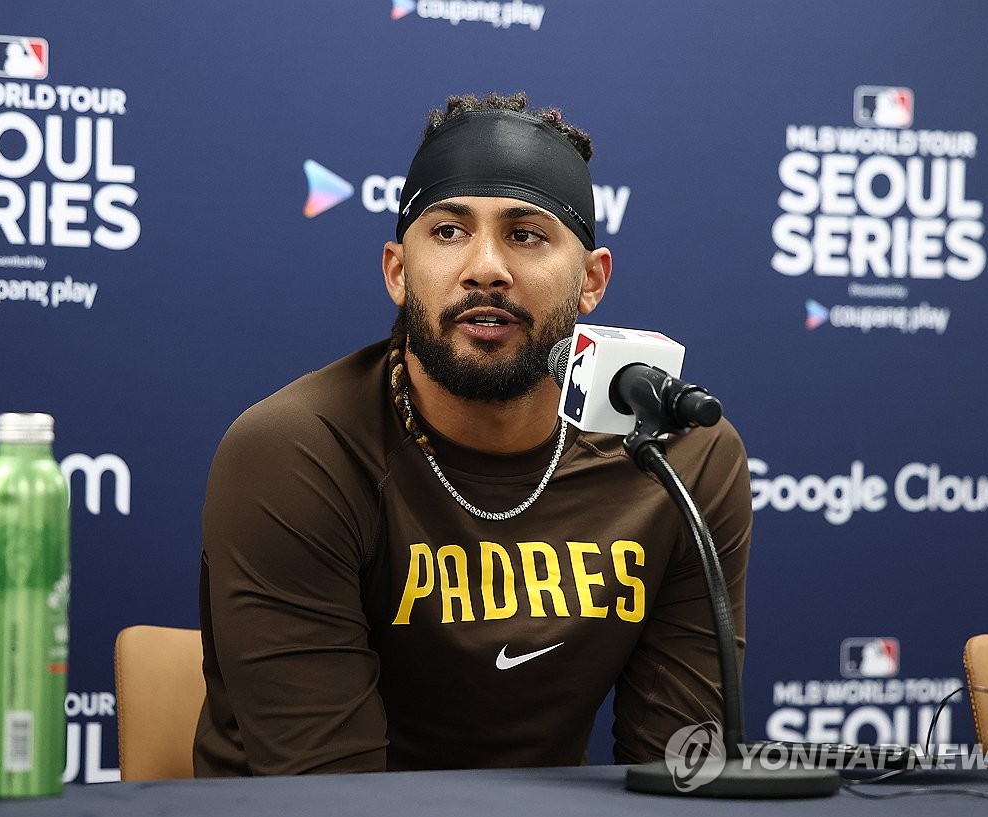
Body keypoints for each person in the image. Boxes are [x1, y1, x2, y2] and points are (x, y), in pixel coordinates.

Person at [195, 91, 752, 776]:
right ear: (399, 272)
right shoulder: (296, 452)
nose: (486, 265)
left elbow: (680, 770)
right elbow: (331, 796)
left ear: (591, 281)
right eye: (450, 231)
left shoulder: (680, 457)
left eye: (526, 234)